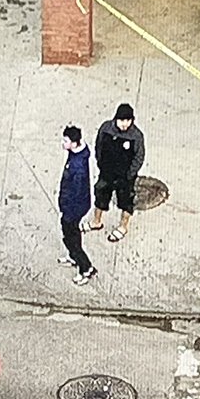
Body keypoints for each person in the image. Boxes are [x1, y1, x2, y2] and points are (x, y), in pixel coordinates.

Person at [86, 103, 146, 243]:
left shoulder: (136, 136)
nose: (125, 124)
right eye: (122, 120)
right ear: (116, 119)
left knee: (126, 201)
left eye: (128, 120)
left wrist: (129, 174)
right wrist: (101, 164)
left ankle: (123, 226)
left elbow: (139, 157)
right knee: (100, 194)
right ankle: (97, 221)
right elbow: (98, 146)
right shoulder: (106, 129)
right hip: (107, 172)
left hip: (125, 177)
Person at [58, 125, 97, 285]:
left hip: (73, 209)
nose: (63, 143)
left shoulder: (78, 167)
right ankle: (73, 257)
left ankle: (86, 268)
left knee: (72, 237)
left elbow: (76, 193)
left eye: (66, 141)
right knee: (69, 234)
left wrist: (67, 210)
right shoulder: (77, 154)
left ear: (74, 143)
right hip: (71, 206)